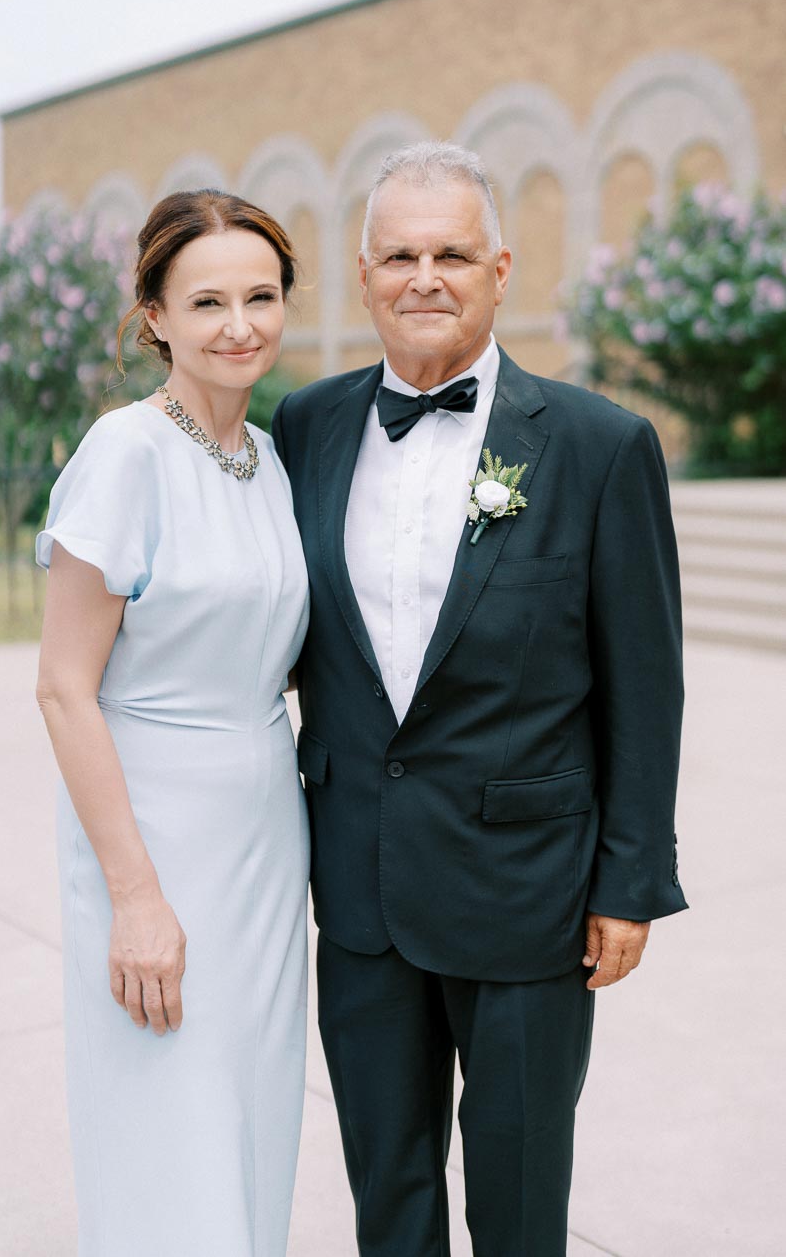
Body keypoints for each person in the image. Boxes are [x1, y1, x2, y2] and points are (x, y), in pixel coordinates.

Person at [272, 141, 687, 1257]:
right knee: (388, 1195)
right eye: (399, 254)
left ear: (501, 268)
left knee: (516, 1201)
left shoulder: (601, 447)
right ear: (362, 277)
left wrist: (632, 882)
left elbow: (647, 686)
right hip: (358, 892)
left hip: (530, 897)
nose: (425, 277)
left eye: (452, 252)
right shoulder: (303, 429)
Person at [35, 190, 310, 1256]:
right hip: (150, 829)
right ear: (154, 315)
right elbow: (64, 687)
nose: (239, 323)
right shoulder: (124, 454)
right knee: (169, 1125)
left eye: (260, 295)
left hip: (263, 835)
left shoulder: (270, 460)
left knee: (252, 1115)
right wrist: (137, 897)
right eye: (206, 301)